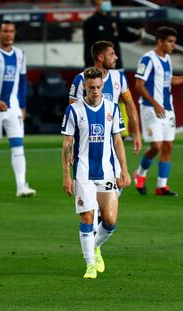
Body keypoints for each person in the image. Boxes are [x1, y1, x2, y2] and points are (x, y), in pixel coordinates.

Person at [62, 67, 130, 279]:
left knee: (110, 221)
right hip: (83, 173)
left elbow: (118, 140)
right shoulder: (74, 110)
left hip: (107, 172)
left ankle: (96, 246)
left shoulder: (112, 108)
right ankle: (90, 265)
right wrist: (66, 175)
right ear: (84, 87)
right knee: (87, 216)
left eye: (99, 87)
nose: (95, 91)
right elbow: (66, 144)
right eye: (91, 88)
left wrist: (124, 170)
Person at [133, 26, 183, 196]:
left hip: (168, 109)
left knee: (168, 146)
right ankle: (140, 174)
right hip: (151, 108)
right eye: (170, 42)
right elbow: (139, 85)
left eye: (174, 42)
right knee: (156, 146)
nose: (173, 45)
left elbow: (170, 80)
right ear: (160, 42)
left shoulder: (167, 60)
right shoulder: (148, 59)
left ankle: (161, 186)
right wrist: (155, 103)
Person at [0, 20, 36, 197]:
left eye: (11, 31)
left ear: (14, 33)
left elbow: (23, 81)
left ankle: (21, 187)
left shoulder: (20, 55)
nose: (8, 34)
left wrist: (23, 106)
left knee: (18, 144)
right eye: (5, 31)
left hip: (13, 107)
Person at [70, 40, 142, 154]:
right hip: (87, 142)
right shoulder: (80, 79)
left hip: (113, 140)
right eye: (112, 54)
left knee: (121, 171)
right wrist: (71, 142)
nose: (116, 57)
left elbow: (130, 104)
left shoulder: (119, 77)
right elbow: (72, 112)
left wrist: (137, 133)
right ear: (100, 57)